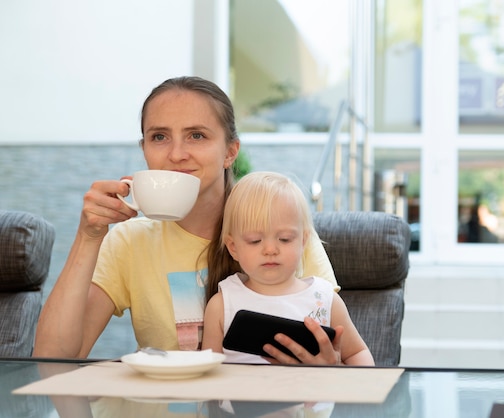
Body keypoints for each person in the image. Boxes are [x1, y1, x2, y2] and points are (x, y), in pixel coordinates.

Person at [33, 76, 340, 363]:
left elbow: (341, 351)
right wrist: (88, 236)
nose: (177, 154)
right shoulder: (129, 242)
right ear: (145, 151)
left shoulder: (283, 232)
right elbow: (52, 358)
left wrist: (330, 368)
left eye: (196, 135)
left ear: (230, 152)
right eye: (159, 136)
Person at [202, 171, 375, 366]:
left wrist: (336, 370)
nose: (270, 250)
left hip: (313, 395)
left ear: (303, 241)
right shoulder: (222, 304)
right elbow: (207, 373)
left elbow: (358, 353)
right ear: (233, 247)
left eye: (284, 239)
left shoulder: (325, 299)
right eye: (255, 241)